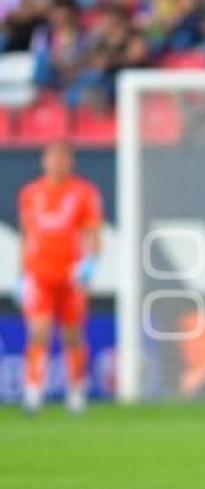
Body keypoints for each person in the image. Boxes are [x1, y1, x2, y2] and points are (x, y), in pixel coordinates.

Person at [17, 140, 103, 413]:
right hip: (39, 273)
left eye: (62, 158)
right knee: (38, 331)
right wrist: (21, 274)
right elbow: (26, 236)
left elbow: (93, 233)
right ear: (44, 161)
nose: (57, 163)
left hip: (71, 275)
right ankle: (33, 392)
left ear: (70, 161)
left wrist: (89, 265)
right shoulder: (30, 193)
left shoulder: (84, 193)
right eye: (52, 157)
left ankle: (76, 392)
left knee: (73, 334)